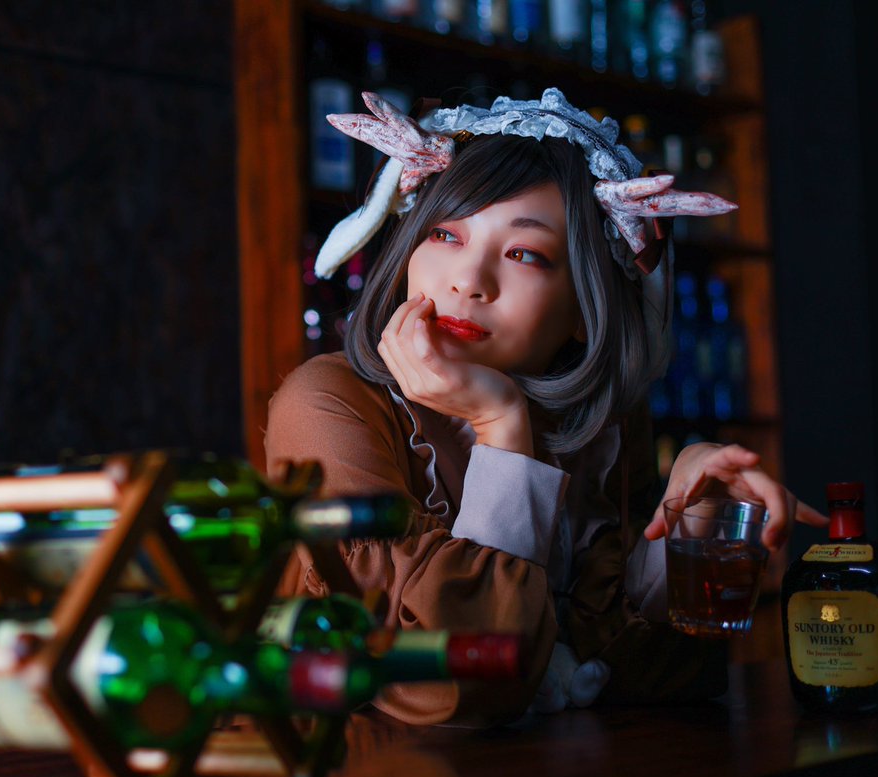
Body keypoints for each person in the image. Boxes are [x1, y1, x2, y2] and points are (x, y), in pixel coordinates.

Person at [263, 89, 827, 727]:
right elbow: (457, 685)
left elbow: (657, 675)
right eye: (445, 234)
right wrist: (502, 429)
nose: (469, 280)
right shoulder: (327, 404)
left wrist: (691, 527)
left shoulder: (599, 423)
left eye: (523, 254)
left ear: (585, 309)